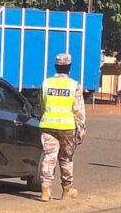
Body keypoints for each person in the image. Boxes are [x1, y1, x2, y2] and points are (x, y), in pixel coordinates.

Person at [37, 53, 86, 202]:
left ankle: (45, 189)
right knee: (66, 158)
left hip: (47, 125)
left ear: (55, 67)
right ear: (69, 68)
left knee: (49, 156)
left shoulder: (46, 83)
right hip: (67, 127)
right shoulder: (74, 85)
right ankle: (66, 190)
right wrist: (81, 130)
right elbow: (79, 111)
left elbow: (40, 106)